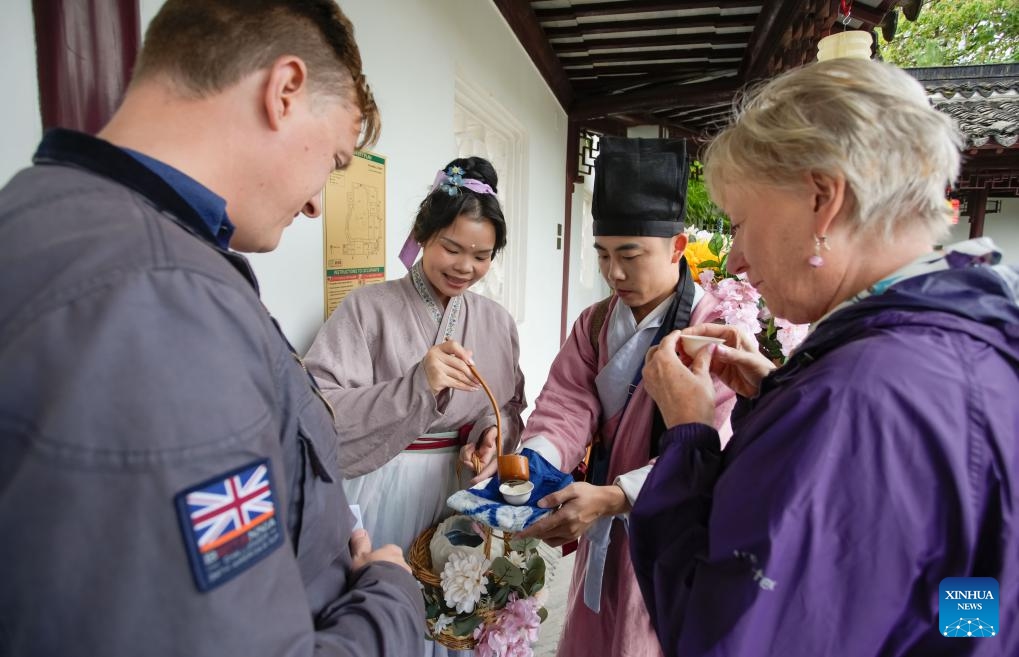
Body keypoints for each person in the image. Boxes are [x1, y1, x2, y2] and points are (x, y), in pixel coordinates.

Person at [0, 2, 424, 655]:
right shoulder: (161, 303)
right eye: (335, 159)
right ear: (284, 91)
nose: (316, 201)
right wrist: (390, 597)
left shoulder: (41, 217)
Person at [633, 58, 1019, 657]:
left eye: (739, 224)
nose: (734, 260)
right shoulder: (973, 342)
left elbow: (722, 631)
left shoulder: (855, 400)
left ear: (823, 199)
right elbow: (965, 598)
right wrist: (784, 391)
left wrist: (688, 432)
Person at [475, 137, 737, 657]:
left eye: (630, 255)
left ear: (677, 247)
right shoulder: (596, 324)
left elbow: (717, 440)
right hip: (598, 518)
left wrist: (619, 496)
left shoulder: (714, 331)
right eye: (602, 254)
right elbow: (566, 404)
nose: (613, 273)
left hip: (666, 524)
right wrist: (532, 466)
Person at [304, 156, 525, 552]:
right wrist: (416, 385)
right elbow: (317, 410)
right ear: (423, 235)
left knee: (460, 602)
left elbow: (508, 406)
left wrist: (491, 434)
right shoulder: (366, 307)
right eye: (451, 248)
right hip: (383, 483)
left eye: (481, 256)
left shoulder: (499, 322)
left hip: (462, 489)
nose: (464, 267)